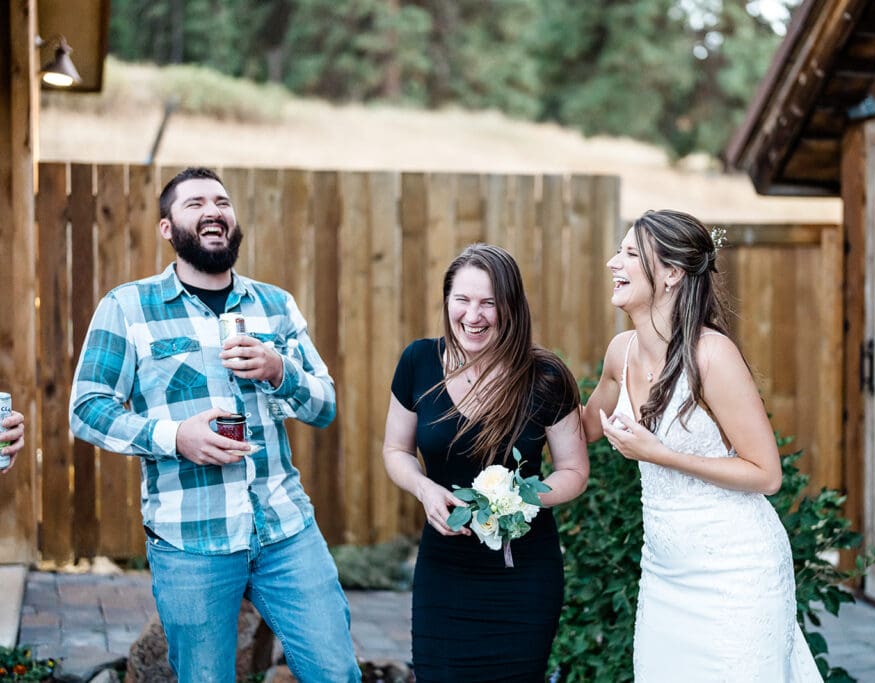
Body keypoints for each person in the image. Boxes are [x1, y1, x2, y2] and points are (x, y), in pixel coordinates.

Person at [69, 167, 360, 683]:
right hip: (190, 538)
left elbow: (324, 405)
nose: (213, 212)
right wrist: (175, 437)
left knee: (335, 671)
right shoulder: (129, 307)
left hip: (285, 528)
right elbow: (87, 408)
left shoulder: (275, 305)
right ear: (167, 228)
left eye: (222, 202)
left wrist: (279, 370)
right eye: (195, 203)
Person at [583, 210, 821, 681]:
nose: (614, 262)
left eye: (630, 253)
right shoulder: (620, 353)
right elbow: (582, 428)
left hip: (736, 572)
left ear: (672, 273)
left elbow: (767, 474)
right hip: (664, 573)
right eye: (619, 251)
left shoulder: (710, 354)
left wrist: (660, 454)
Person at [382, 243, 589, 682]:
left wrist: (520, 500)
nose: (472, 315)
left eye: (488, 303)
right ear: (447, 301)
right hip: (446, 569)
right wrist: (423, 488)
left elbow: (574, 470)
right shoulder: (418, 361)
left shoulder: (546, 376)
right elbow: (396, 451)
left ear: (511, 307)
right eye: (462, 300)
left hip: (524, 573)